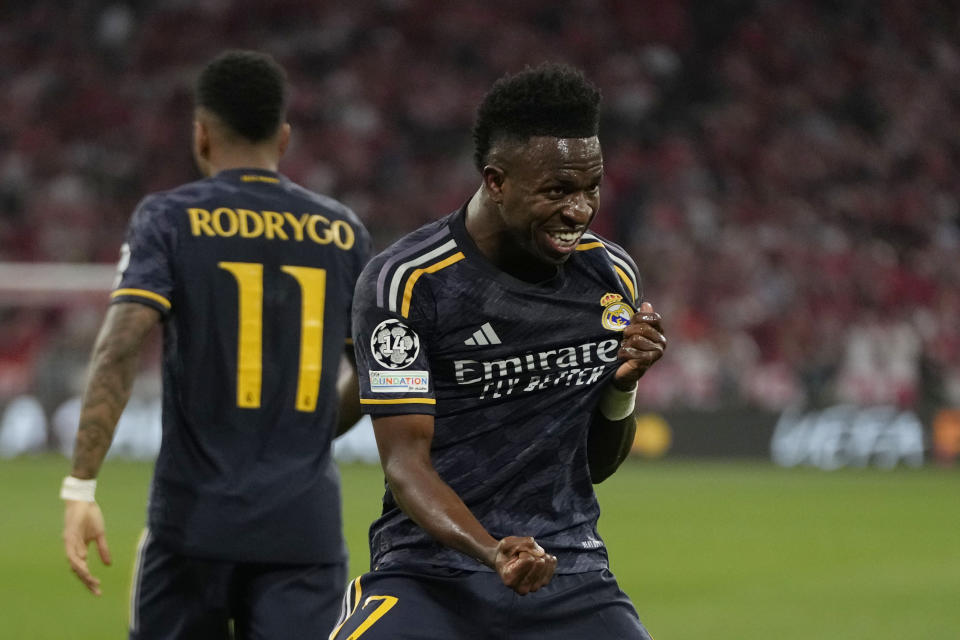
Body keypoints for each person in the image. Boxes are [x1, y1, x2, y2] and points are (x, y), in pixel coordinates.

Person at [333, 63, 666, 639]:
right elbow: (406, 464)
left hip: (571, 570)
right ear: (496, 181)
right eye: (558, 191)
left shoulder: (609, 276)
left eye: (591, 188)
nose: (580, 211)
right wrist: (493, 553)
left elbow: (595, 466)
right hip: (429, 572)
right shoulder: (408, 282)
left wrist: (622, 386)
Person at [60, 50, 371, 639]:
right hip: (304, 532)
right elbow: (376, 371)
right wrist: (309, 428)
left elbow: (118, 347)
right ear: (283, 138)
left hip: (193, 526)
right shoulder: (342, 229)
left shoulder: (170, 219)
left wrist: (80, 485)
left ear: (200, 134)